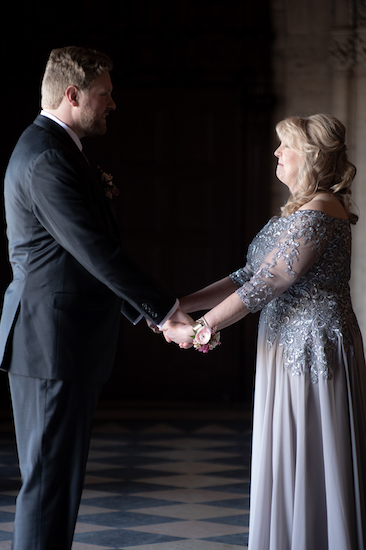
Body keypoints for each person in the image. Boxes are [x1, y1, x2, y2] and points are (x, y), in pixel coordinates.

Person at [0, 46, 192, 550]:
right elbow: (95, 252)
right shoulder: (45, 157)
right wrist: (165, 313)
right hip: (50, 341)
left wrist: (154, 311)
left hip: (59, 339)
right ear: (72, 94)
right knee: (47, 488)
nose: (112, 104)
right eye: (104, 94)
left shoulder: (58, 148)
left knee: (57, 485)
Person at [163, 114, 366, 549]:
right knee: (285, 453)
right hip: (283, 344)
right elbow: (247, 275)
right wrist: (180, 305)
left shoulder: (322, 208)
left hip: (311, 348)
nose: (276, 153)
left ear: (309, 157)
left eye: (284, 146)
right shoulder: (299, 210)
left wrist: (202, 328)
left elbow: (269, 283)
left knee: (310, 452)